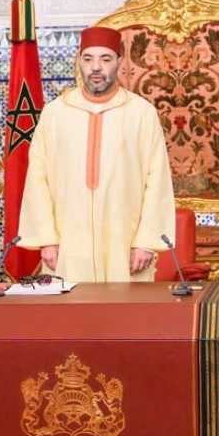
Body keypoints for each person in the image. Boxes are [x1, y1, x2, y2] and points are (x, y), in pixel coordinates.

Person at [17, 25, 175, 282]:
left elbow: (157, 181)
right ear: (79, 62)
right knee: (70, 317)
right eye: (88, 59)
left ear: (119, 63)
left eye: (105, 59)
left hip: (125, 245)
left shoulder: (141, 113)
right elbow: (37, 178)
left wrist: (146, 241)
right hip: (67, 245)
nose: (96, 67)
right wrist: (46, 239)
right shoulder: (55, 113)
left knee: (125, 319)